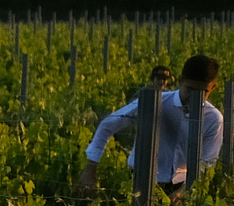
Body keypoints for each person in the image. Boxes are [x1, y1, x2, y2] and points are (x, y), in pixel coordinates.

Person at [79, 55, 222, 197]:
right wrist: (90, 169)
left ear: (213, 88)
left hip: (180, 186)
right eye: (190, 89)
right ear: (181, 81)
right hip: (139, 182)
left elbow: (207, 162)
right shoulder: (156, 101)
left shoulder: (213, 119)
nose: (194, 97)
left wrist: (183, 192)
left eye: (203, 92)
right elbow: (108, 125)